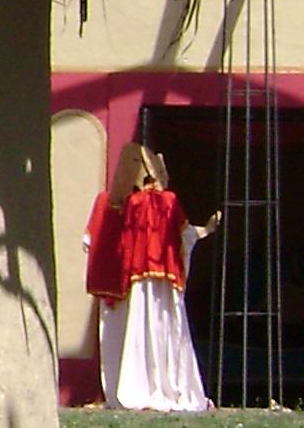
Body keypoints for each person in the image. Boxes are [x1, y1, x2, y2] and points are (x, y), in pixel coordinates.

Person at [83, 141, 217, 411]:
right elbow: (185, 235)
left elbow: (93, 242)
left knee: (138, 334)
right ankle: (166, 387)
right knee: (166, 333)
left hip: (135, 281)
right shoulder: (168, 201)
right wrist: (208, 230)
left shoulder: (123, 203)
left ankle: (135, 388)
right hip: (164, 279)